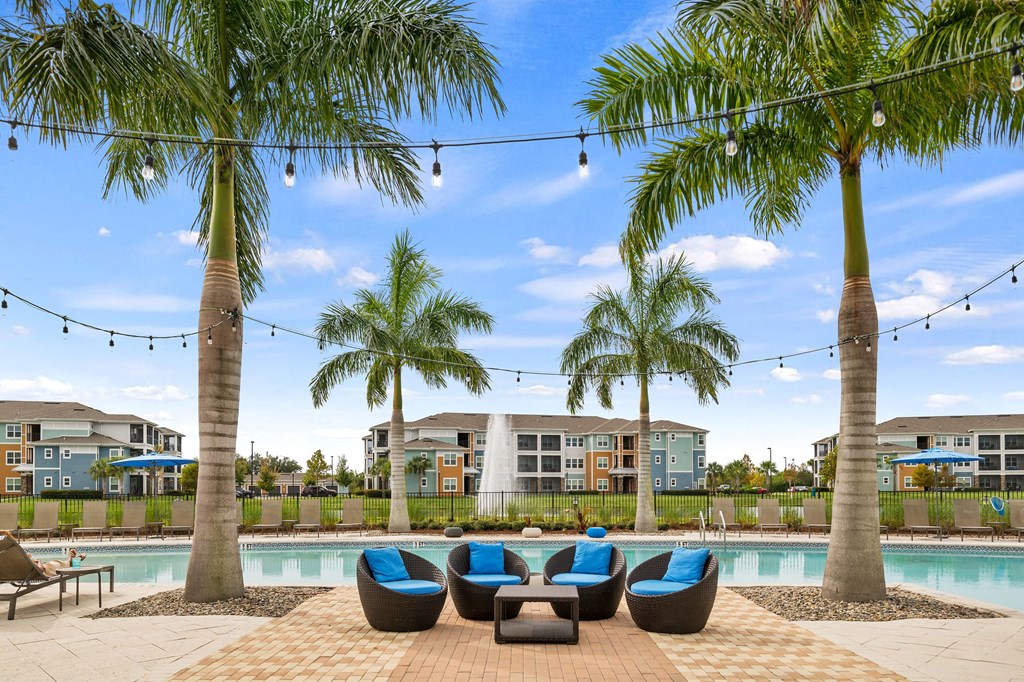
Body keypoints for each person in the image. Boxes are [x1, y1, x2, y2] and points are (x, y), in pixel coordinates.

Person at [1, 530, 85, 576]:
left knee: (56, 563)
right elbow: (40, 570)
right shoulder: (15, 556)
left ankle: (71, 560)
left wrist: (27, 559)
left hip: (32, 570)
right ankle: (72, 560)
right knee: (56, 564)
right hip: (44, 570)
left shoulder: (5, 559)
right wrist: (38, 562)